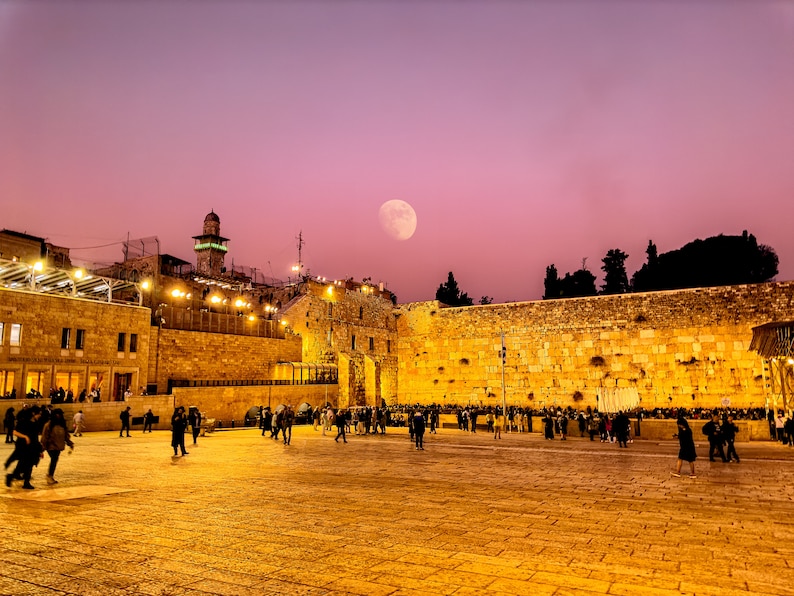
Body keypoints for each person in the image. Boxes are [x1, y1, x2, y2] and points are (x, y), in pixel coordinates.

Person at [7, 405, 43, 489]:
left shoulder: (36, 423)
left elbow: (35, 436)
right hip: (24, 447)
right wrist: (25, 437)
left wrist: (39, 448)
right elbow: (15, 432)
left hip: (33, 447)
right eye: (39, 414)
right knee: (22, 465)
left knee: (30, 465)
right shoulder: (24, 422)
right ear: (33, 413)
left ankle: (26, 482)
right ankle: (11, 477)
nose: (40, 415)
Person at [41, 408, 74, 485]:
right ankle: (49, 476)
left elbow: (66, 436)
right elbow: (45, 437)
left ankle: (50, 476)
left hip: (59, 446)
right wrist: (42, 447)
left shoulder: (62, 425)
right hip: (51, 446)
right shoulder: (48, 425)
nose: (58, 416)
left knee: (54, 460)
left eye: (59, 414)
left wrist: (70, 443)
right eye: (57, 414)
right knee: (54, 459)